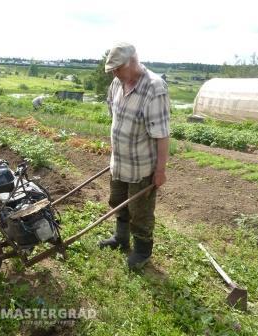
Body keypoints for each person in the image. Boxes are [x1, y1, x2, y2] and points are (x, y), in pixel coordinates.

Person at [98, 42, 170, 270]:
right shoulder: (117, 84)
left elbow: (162, 135)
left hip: (142, 167)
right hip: (119, 163)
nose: (114, 74)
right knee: (118, 201)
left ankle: (142, 251)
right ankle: (121, 238)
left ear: (132, 62)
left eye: (117, 69)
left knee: (140, 211)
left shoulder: (154, 88)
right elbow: (115, 116)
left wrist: (160, 171)